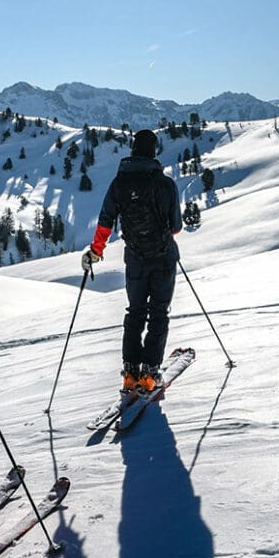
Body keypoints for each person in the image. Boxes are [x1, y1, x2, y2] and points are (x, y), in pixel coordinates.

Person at [82, 128, 182, 392]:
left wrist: (96, 250)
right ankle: (149, 374)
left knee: (135, 312)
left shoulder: (119, 183)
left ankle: (130, 373)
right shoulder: (166, 185)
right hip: (162, 259)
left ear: (133, 150)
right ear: (154, 151)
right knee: (159, 312)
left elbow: (105, 220)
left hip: (135, 259)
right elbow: (176, 227)